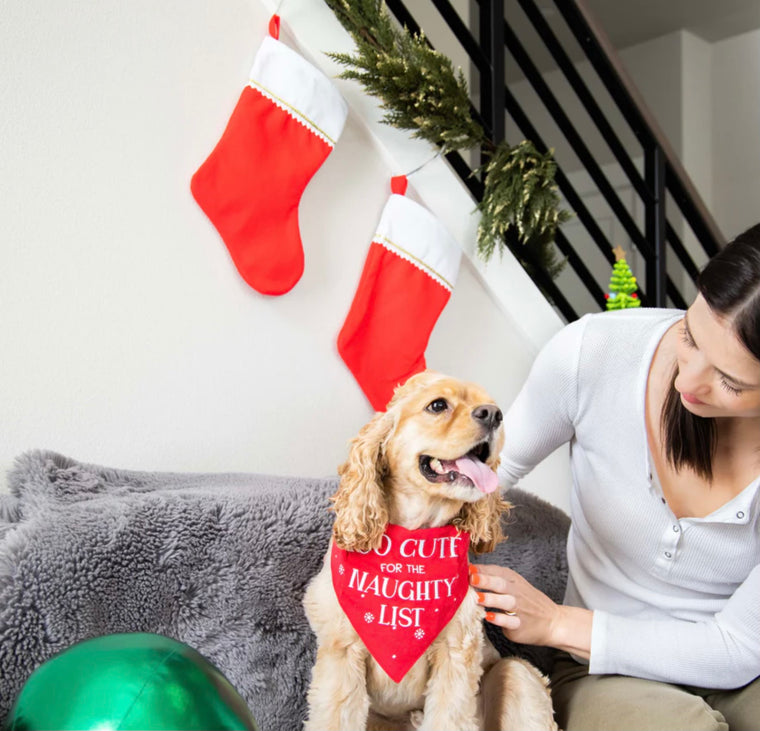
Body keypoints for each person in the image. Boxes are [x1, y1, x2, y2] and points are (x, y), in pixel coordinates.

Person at [470, 222, 760, 730]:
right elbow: (484, 477)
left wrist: (557, 621)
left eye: (730, 381)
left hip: (738, 668)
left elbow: (739, 646)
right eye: (691, 337)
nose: (688, 380)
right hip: (598, 668)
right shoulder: (594, 355)